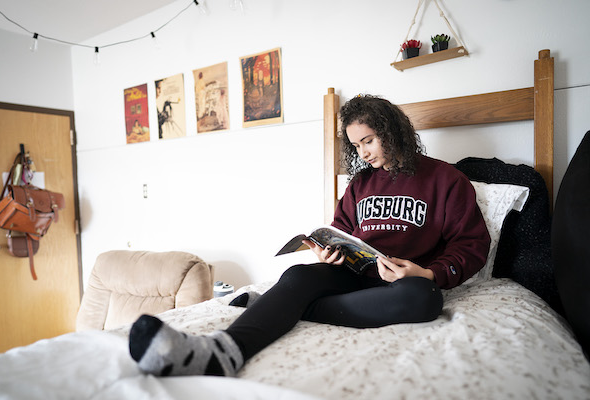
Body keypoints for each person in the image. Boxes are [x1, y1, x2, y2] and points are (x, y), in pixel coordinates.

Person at [128, 94, 491, 378]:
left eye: (369, 140)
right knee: (299, 275)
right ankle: (220, 352)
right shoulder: (360, 184)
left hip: (400, 283)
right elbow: (343, 230)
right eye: (357, 146)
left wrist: (428, 273)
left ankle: (281, 307)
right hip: (351, 275)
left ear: (392, 130)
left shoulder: (446, 179)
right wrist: (330, 251)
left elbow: (472, 245)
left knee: (426, 299)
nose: (364, 152)